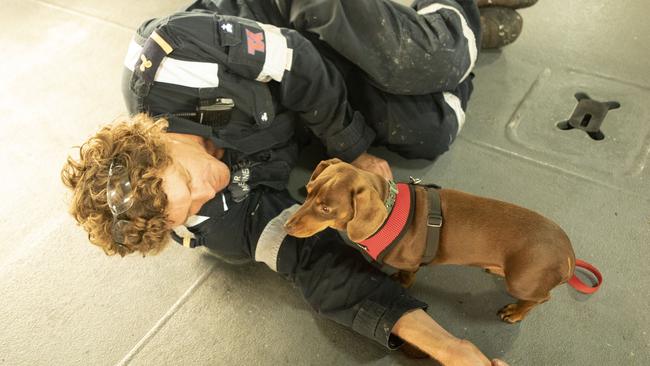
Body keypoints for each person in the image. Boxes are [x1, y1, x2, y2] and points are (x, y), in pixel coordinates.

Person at [63, 0, 512, 364]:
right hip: (298, 107)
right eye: (191, 206)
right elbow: (314, 263)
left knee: (422, 61)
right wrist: (448, 348)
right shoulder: (214, 224)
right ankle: (442, 25)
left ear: (153, 136)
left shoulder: (175, 56)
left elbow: (299, 61)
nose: (208, 188)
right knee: (430, 130)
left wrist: (352, 149)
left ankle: (455, 20)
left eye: (186, 178)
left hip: (290, 20)